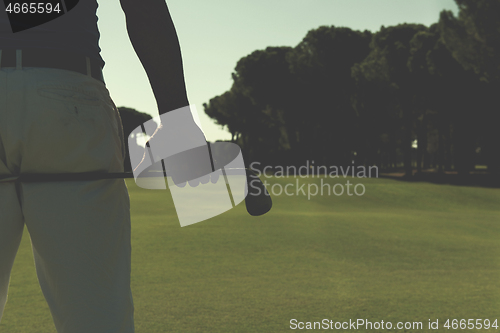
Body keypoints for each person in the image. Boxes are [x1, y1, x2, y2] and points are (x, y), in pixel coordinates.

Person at [0, 1, 208, 332]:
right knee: (96, 321)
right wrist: (177, 122)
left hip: (69, 95)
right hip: (69, 96)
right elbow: (144, 10)